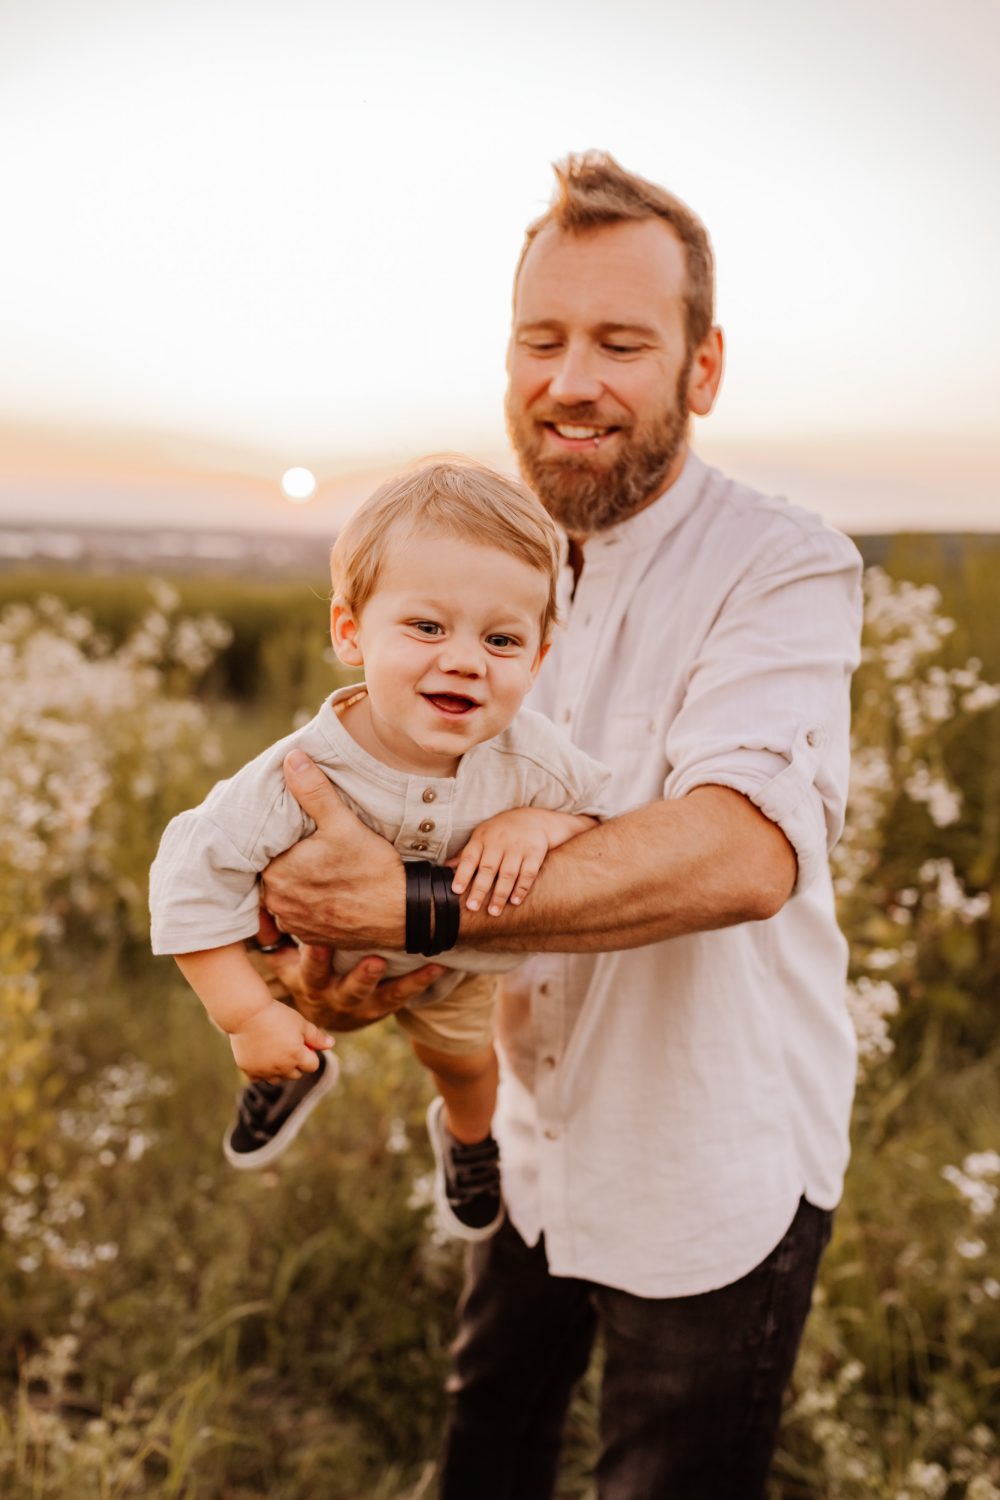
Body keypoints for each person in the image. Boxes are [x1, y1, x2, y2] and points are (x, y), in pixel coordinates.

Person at [251, 153, 864, 1498]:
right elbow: (398, 809)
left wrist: (410, 902)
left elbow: (745, 849)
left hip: (710, 1162)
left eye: (621, 343)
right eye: (543, 340)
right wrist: (347, 959)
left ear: (702, 371)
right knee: (486, 1447)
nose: (571, 380)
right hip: (528, 1134)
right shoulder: (489, 560)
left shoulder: (784, 564)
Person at [149, 459, 611, 1238]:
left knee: (465, 1066)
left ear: (536, 660)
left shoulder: (534, 759)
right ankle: (288, 1070)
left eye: (501, 639)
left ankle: (468, 1142)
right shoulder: (301, 771)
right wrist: (245, 1015)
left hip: (455, 967)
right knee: (285, 1030)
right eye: (427, 627)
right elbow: (190, 873)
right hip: (303, 958)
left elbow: (602, 819)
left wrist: (541, 825)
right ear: (350, 630)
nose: (465, 659)